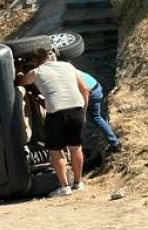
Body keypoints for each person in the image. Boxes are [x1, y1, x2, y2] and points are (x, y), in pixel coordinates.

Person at [17, 49, 90, 198]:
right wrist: (83, 111)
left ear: (35, 61)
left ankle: (64, 187)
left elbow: (21, 82)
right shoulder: (68, 66)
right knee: (76, 147)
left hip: (57, 114)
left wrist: (19, 70)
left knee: (55, 151)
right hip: (76, 109)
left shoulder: (36, 72)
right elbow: (85, 88)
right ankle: (78, 183)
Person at [78, 69, 122, 152]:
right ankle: (113, 140)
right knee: (97, 117)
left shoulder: (67, 77)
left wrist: (84, 109)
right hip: (96, 88)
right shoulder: (69, 69)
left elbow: (85, 90)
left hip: (91, 92)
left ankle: (114, 143)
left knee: (94, 118)